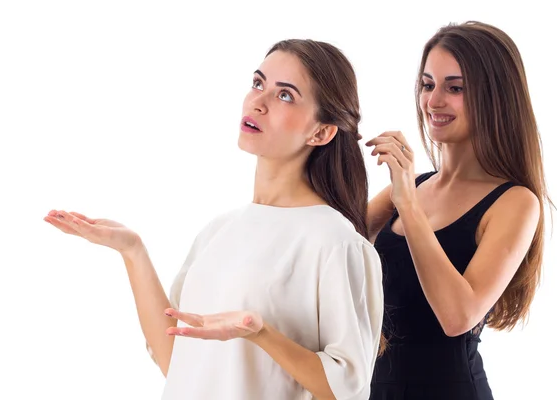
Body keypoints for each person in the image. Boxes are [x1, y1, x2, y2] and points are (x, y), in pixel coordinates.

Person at [44, 39, 384, 400]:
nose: (258, 102)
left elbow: (348, 389)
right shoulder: (220, 230)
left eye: (285, 95)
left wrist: (260, 333)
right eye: (258, 84)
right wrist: (133, 252)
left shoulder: (334, 241)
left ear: (322, 132)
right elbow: (176, 360)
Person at [365, 21, 551, 399]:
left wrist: (407, 202)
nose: (433, 101)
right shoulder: (413, 188)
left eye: (455, 88)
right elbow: (331, 241)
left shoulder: (515, 202)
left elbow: (458, 317)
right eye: (428, 84)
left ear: (494, 96)